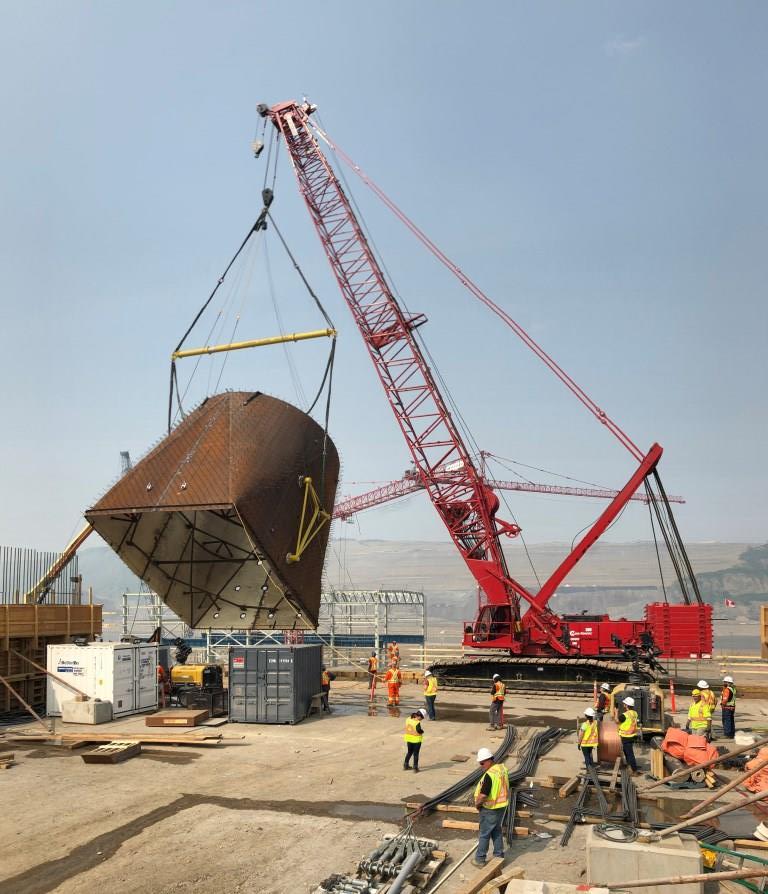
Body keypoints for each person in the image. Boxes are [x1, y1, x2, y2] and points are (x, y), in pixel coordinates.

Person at [472, 747, 509, 867]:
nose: (481, 766)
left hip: (490, 808)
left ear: (488, 760)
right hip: (501, 806)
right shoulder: (502, 769)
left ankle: (480, 859)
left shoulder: (489, 775)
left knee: (484, 834)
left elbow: (483, 795)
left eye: (482, 763)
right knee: (496, 830)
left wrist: (477, 804)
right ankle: (499, 857)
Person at [617, 696, 640, 773]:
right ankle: (630, 766)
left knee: (629, 753)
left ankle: (634, 770)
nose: (623, 704)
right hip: (632, 735)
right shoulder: (634, 713)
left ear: (626, 705)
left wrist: (616, 712)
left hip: (626, 736)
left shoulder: (625, 715)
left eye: (624, 703)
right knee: (627, 751)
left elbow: (617, 721)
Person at [721, 675, 736, 739]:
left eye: (724, 682)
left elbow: (725, 699)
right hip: (732, 707)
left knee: (726, 721)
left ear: (727, 682)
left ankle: (727, 734)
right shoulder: (733, 689)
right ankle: (731, 733)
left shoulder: (727, 690)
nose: (723, 683)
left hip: (727, 707)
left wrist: (722, 704)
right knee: (731, 720)